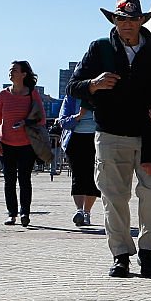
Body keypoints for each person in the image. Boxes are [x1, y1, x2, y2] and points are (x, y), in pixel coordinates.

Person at [66, 0, 151, 277]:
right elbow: (73, 87)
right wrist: (93, 84)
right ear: (114, 20)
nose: (126, 24)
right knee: (114, 196)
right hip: (111, 133)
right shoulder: (99, 49)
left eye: (132, 19)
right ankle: (121, 254)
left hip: (149, 135)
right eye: (121, 18)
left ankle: (148, 251)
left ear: (142, 21)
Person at [0, 61, 44, 227]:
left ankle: (25, 212)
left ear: (23, 74)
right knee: (9, 180)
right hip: (6, 144)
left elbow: (41, 118)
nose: (11, 72)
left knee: (24, 179)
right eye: (10, 70)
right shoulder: (3, 94)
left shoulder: (32, 94)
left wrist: (25, 122)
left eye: (14, 70)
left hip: (27, 144)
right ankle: (12, 214)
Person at [58, 89, 99, 226]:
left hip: (96, 138)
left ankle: (87, 212)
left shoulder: (101, 93)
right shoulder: (71, 96)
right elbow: (63, 121)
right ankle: (79, 211)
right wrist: (78, 116)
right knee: (78, 176)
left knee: (93, 177)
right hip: (75, 139)